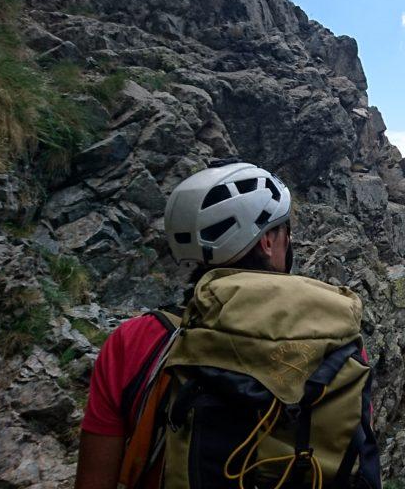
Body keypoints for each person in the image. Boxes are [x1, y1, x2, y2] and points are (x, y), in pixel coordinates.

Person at [74, 162, 297, 489]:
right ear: (267, 243)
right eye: (285, 232)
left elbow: (94, 480)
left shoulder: (134, 342)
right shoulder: (329, 337)